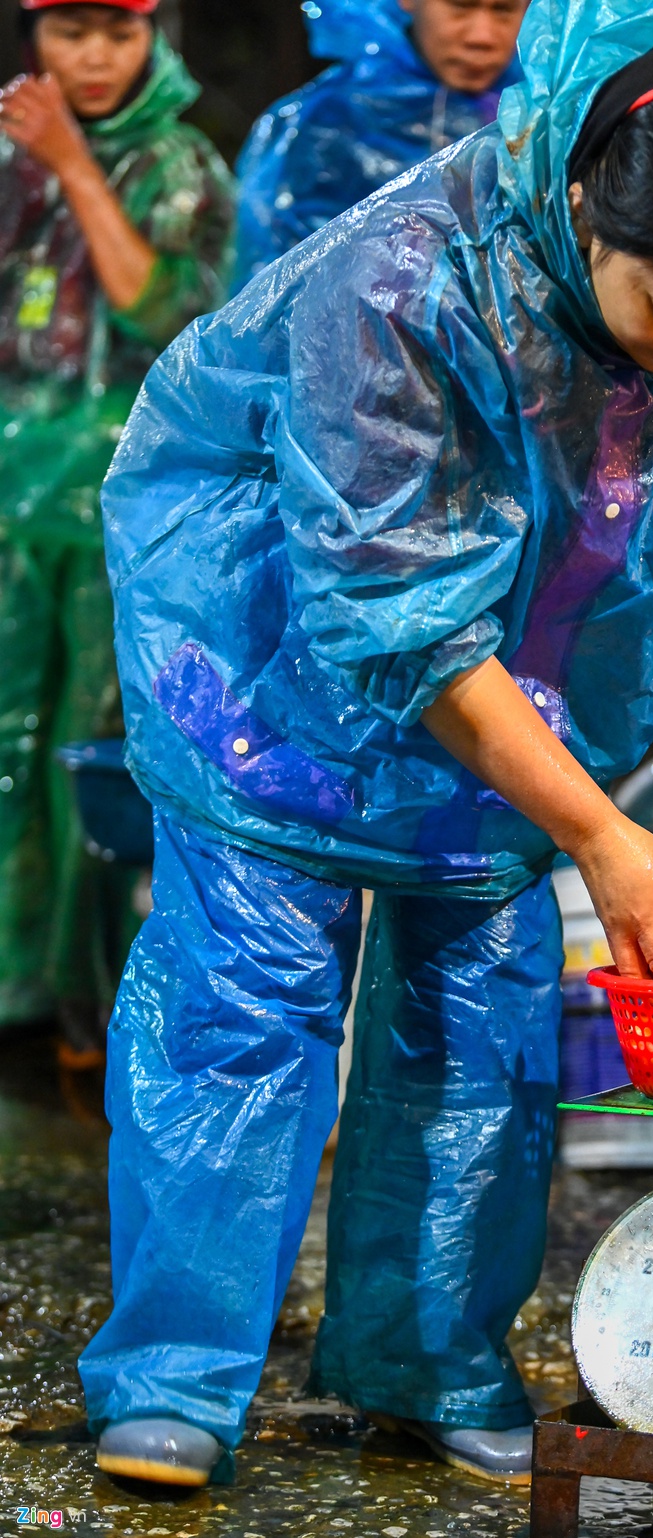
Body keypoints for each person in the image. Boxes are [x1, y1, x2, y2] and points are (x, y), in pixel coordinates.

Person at [78, 0, 653, 1490]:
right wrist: (603, 830)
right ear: (584, 203)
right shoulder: (403, 276)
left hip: (521, 699)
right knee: (243, 1007)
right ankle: (173, 1370)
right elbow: (394, 607)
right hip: (273, 665)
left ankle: (424, 1360)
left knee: (477, 1030)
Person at [0, 0, 234, 1064]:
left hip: (124, 498)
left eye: (117, 31)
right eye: (68, 31)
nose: (92, 58)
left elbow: (160, 307)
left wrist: (71, 164)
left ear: (155, 37)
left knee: (91, 747)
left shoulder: (182, 164)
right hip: (12, 496)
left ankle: (93, 1009)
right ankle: (15, 991)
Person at [231, 0, 526, 292]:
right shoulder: (328, 125)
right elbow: (273, 287)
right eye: (460, 6)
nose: (482, 37)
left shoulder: (541, 117)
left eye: (503, 10)